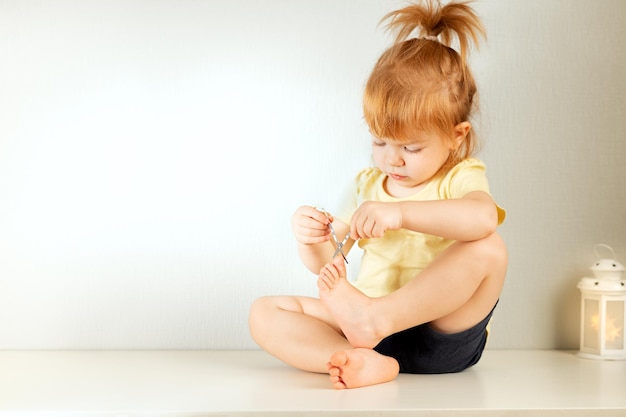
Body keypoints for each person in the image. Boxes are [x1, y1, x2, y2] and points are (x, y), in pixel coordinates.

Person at [249, 0, 507, 390]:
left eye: (411, 148)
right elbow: (327, 265)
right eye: (380, 141)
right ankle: (358, 362)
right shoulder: (368, 185)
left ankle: (378, 320)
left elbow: (483, 218)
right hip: (365, 333)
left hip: (440, 334)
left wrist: (401, 214)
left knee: (490, 248)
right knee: (264, 312)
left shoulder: (459, 176)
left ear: (457, 136)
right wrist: (311, 238)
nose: (392, 159)